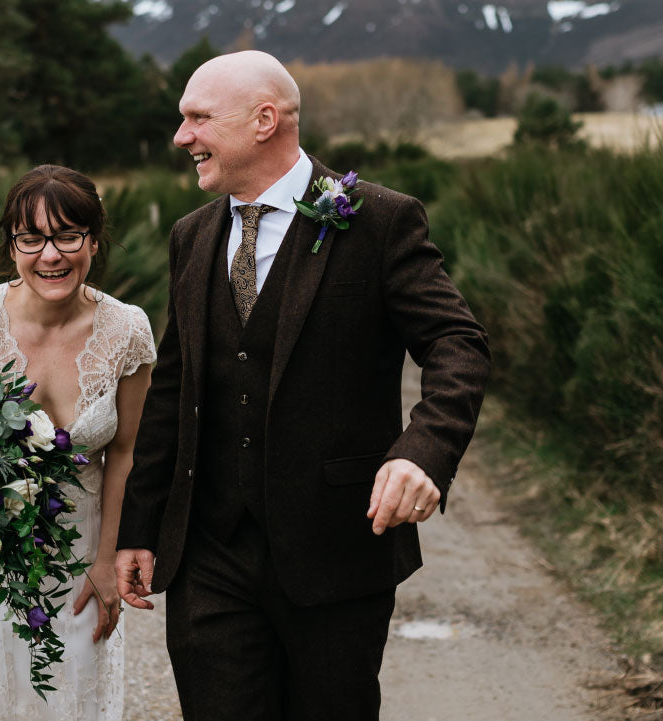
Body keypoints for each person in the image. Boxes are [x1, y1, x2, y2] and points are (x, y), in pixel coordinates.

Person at [115, 51, 491, 720]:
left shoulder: (378, 220)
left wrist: (422, 450)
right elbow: (175, 387)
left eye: (198, 118)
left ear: (264, 120)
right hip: (210, 553)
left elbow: (456, 343)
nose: (181, 137)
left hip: (336, 552)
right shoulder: (191, 237)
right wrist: (138, 526)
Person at [0, 165, 156, 720]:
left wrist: (106, 557)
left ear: (93, 239)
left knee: (67, 701)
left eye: (68, 236)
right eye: (32, 239)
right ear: (11, 245)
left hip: (78, 555)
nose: (51, 255)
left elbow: (126, 453)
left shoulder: (128, 331)